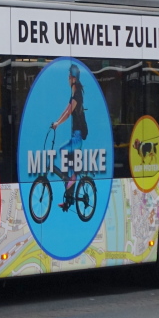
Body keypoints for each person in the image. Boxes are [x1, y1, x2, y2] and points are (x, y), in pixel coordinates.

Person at [51, 63, 87, 212]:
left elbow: (68, 113)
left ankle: (70, 179)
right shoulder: (73, 95)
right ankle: (68, 200)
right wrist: (56, 122)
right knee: (70, 169)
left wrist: (58, 123)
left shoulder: (77, 95)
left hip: (77, 137)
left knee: (61, 150)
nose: (67, 78)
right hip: (75, 137)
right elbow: (66, 110)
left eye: (69, 76)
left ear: (73, 79)